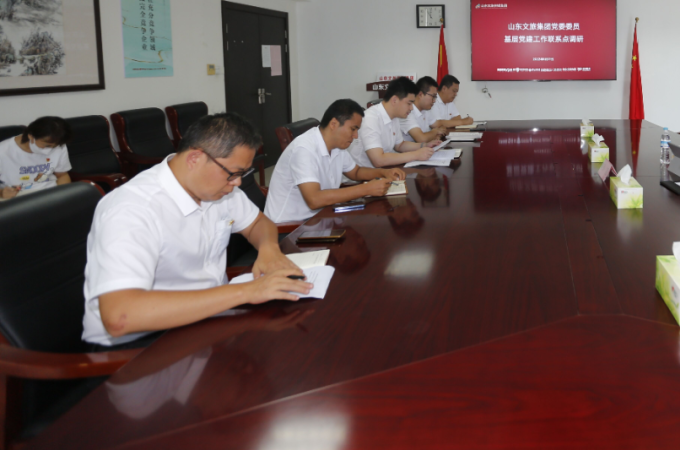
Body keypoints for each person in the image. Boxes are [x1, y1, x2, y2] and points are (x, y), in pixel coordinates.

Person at [82, 112, 311, 348]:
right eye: (233, 173)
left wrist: (269, 249)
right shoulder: (132, 209)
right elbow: (120, 317)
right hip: (142, 343)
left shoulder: (218, 189)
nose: (237, 183)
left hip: (208, 317)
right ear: (194, 158)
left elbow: (258, 223)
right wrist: (247, 292)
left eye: (242, 174)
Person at [265, 99, 404, 223]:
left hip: (320, 217)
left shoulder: (337, 146)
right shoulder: (304, 149)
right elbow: (314, 200)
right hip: (290, 227)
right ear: (333, 124)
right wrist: (366, 189)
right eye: (353, 129)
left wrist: (384, 172)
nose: (356, 136)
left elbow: (356, 172)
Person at [353, 77, 440, 168]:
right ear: (394, 100)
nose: (411, 108)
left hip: (383, 170)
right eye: (409, 103)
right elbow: (378, 160)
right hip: (362, 175)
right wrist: (416, 155)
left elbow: (400, 145)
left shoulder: (394, 117)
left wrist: (424, 145)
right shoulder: (371, 118)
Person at [0, 116, 72, 199]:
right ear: (31, 136)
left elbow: (62, 175)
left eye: (54, 146)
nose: (51, 149)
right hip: (17, 196)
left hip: (51, 193)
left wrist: (63, 196)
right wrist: (1, 193)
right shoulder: (3, 151)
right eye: (47, 145)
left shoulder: (59, 145)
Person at [402, 76, 448, 144]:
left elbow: (441, 126)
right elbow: (421, 139)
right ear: (420, 94)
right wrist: (435, 131)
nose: (434, 101)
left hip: (424, 148)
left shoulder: (426, 110)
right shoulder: (407, 112)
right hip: (410, 150)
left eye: (435, 97)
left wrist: (437, 135)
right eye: (433, 96)